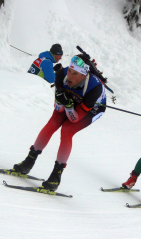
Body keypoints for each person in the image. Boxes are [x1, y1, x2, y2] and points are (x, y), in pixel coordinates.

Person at [14, 54, 107, 191]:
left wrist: (69, 105)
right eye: (69, 70)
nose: (69, 76)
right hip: (74, 100)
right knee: (53, 122)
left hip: (93, 107)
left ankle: (56, 176)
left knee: (67, 130)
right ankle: (28, 161)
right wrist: (61, 100)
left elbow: (74, 119)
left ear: (83, 75)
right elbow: (58, 110)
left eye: (74, 74)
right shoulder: (61, 74)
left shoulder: (94, 88)